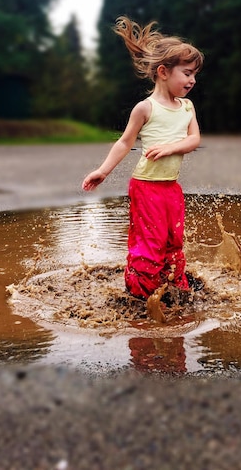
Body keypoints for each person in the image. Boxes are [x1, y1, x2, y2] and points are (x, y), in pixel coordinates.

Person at [82, 16, 204, 300]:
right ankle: (139, 294)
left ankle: (175, 285)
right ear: (163, 71)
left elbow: (194, 139)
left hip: (170, 188)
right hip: (146, 187)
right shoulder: (145, 108)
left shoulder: (187, 107)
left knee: (173, 239)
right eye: (187, 73)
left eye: (194, 74)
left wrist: (172, 147)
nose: (192, 80)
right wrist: (103, 171)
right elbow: (125, 142)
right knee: (150, 243)